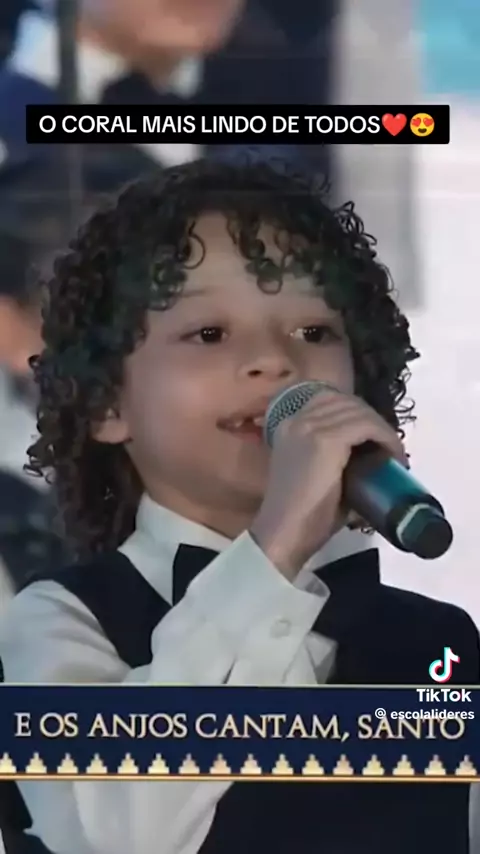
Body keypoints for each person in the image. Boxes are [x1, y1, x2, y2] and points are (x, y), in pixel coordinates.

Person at [0, 158, 478, 854]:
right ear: (107, 404)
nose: (274, 361)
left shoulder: (439, 644)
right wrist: (275, 547)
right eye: (209, 334)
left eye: (315, 332)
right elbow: (119, 834)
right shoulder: (61, 622)